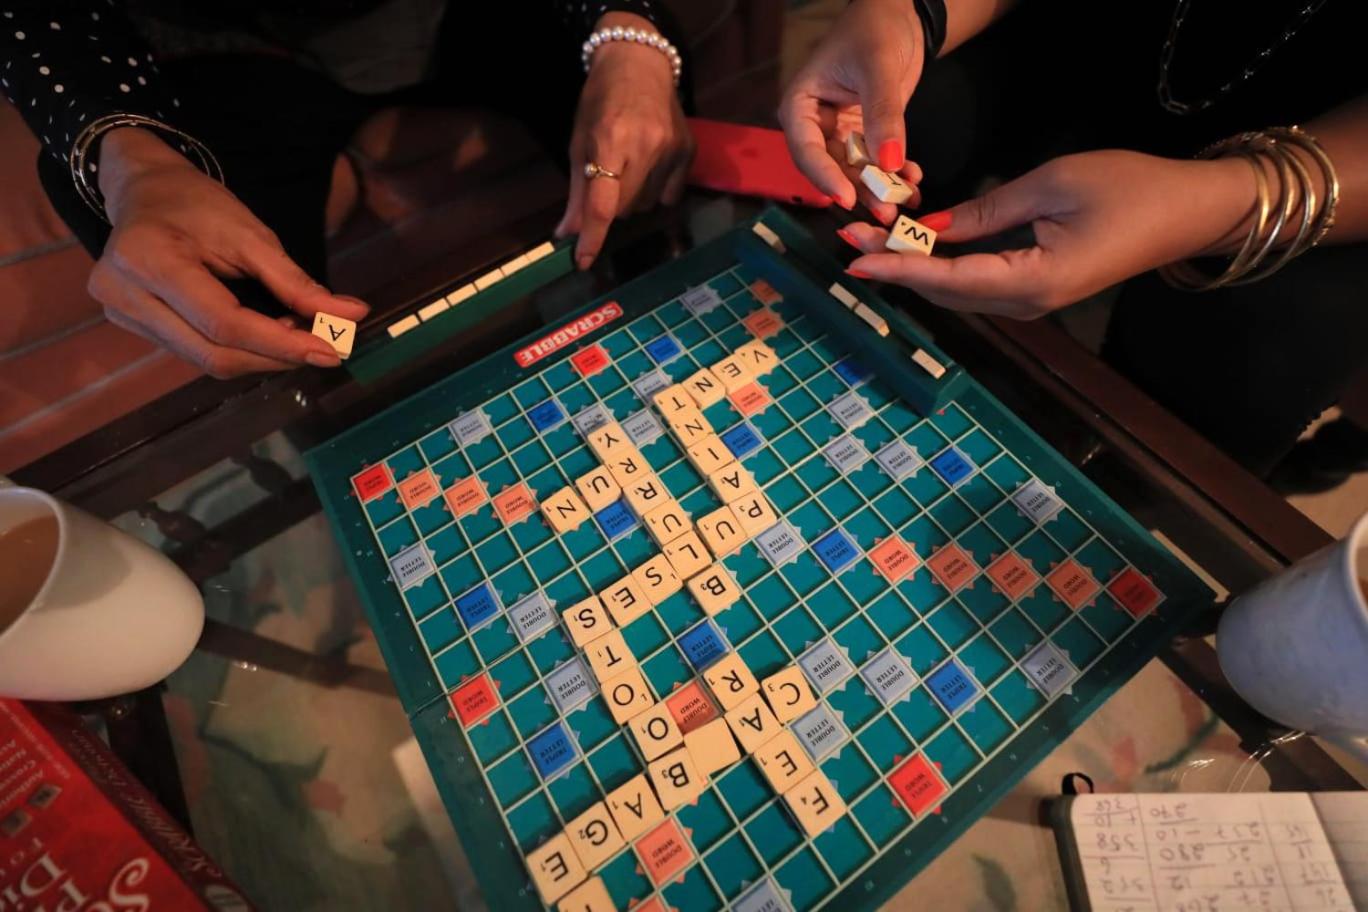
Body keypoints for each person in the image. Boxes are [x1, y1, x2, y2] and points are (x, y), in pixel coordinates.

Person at [778, 0, 1367, 475]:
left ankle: (1125, 495)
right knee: (913, 116)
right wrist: (910, 13)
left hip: (1324, 148)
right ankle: (853, 317)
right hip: (1092, 30)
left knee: (1267, 336)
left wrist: (1215, 203)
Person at [1, 1, 693, 379]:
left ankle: (657, 292)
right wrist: (133, 162)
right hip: (217, 48)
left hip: (474, 13)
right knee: (241, 301)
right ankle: (352, 418)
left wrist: (626, 37)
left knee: (644, 99)